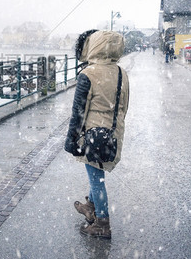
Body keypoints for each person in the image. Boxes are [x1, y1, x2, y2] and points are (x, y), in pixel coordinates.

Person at [64, 30, 130, 238]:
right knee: (97, 173)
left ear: (94, 46)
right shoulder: (121, 72)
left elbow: (78, 112)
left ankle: (102, 222)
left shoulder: (88, 74)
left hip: (92, 134)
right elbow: (124, 106)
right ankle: (90, 206)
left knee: (96, 178)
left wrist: (71, 140)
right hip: (113, 131)